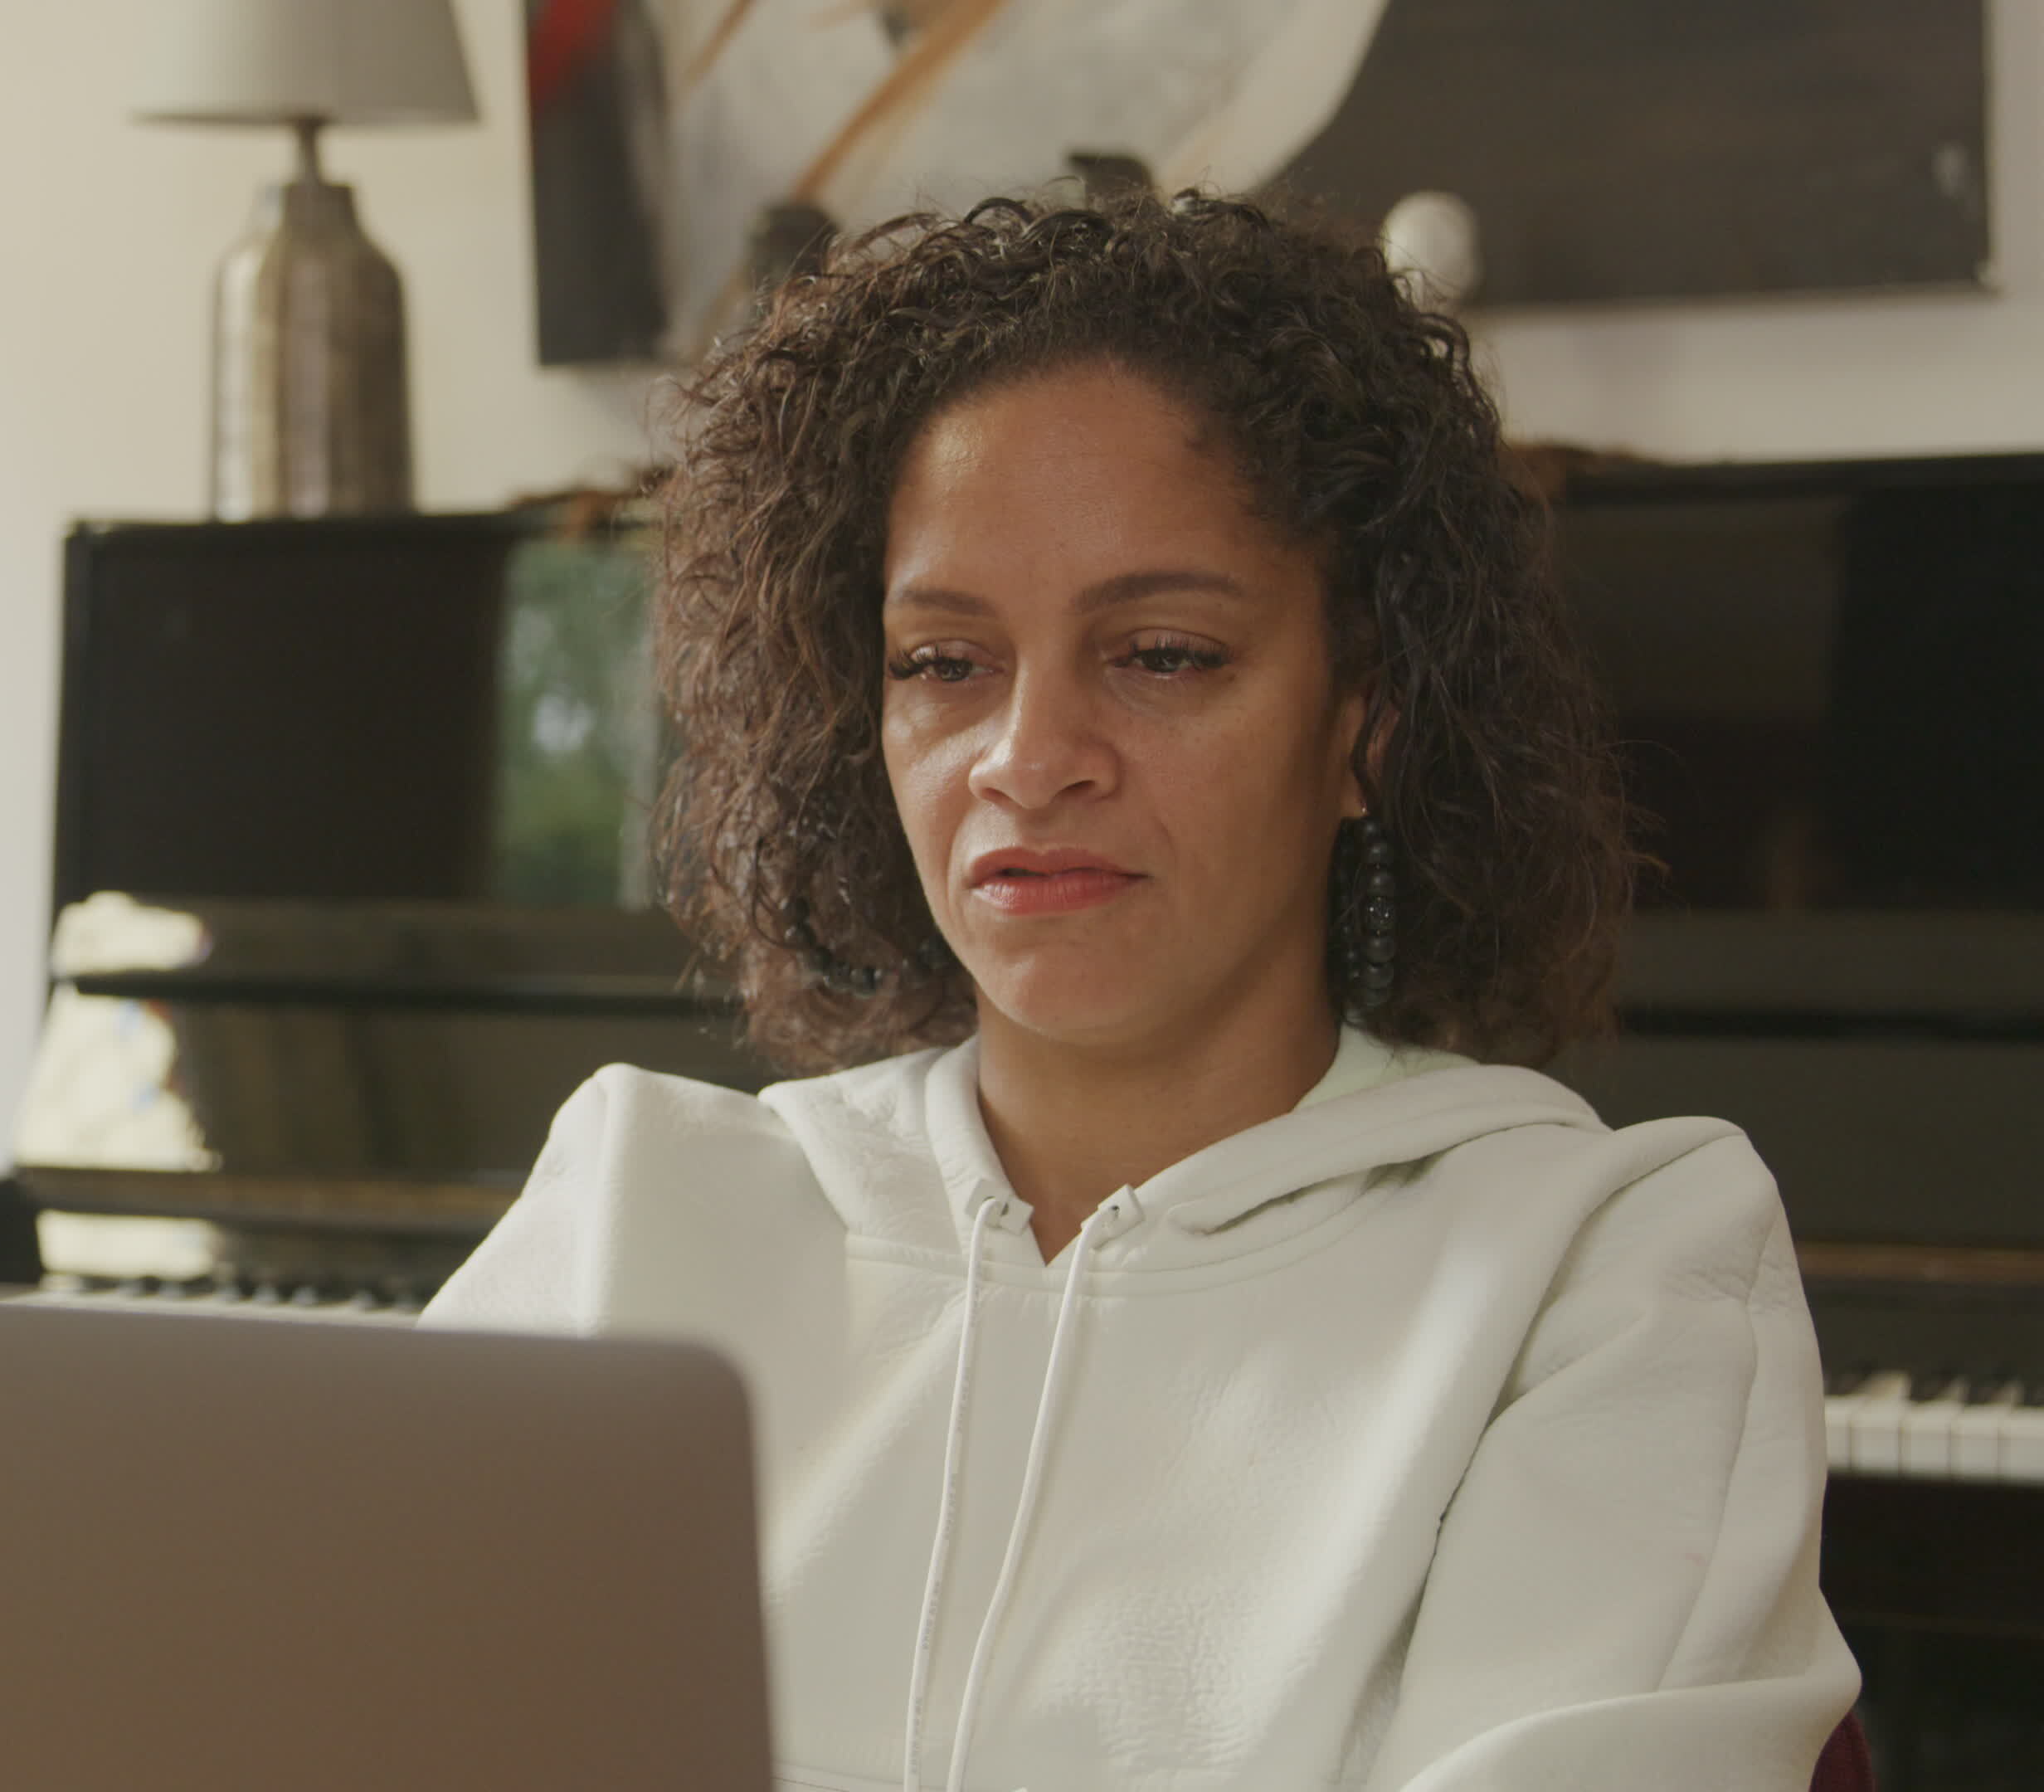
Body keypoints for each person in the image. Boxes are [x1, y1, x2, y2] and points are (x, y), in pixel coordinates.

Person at [420, 192, 1856, 1791]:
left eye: (1163, 653)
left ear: (1367, 727)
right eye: (944, 663)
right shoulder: (632, 1211)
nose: (1029, 759)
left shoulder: (1604, 1279)